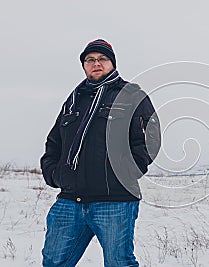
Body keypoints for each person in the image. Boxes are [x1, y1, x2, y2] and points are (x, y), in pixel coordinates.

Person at [40, 39, 161, 267]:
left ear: (112, 63)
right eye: (90, 60)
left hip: (114, 201)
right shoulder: (74, 100)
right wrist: (55, 174)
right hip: (70, 200)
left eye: (102, 59)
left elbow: (150, 139)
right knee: (54, 261)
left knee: (119, 262)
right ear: (84, 65)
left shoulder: (132, 95)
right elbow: (54, 141)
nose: (96, 63)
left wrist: (124, 172)